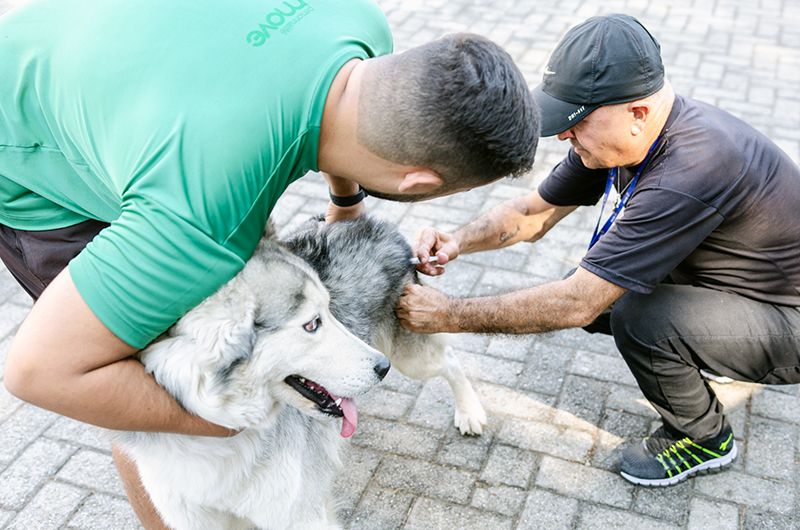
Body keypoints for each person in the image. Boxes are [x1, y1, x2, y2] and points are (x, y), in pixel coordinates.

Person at [0, 0, 539, 527]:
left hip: (75, 50)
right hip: (26, 150)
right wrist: (224, 422)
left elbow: (352, 122)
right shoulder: (198, 219)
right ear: (417, 182)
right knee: (132, 371)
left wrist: (347, 203)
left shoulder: (358, 21)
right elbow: (38, 372)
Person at [398, 13, 800, 487]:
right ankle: (712, 347)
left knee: (636, 315)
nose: (565, 135)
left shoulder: (694, 167)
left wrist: (449, 315)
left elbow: (577, 302)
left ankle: (704, 438)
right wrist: (457, 240)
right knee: (609, 297)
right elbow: (534, 213)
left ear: (638, 113)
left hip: (787, 318)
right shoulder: (619, 141)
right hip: (737, 286)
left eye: (577, 121)